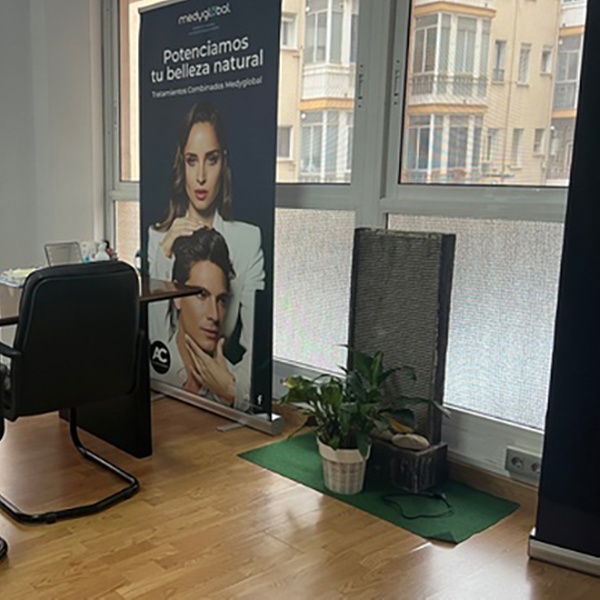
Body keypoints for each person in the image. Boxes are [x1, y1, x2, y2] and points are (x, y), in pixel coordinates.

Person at [148, 102, 265, 411]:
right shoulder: (158, 239)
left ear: (223, 162)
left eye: (211, 160)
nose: (200, 176)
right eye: (192, 160)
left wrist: (232, 389)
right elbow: (157, 339)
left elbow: (256, 346)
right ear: (181, 164)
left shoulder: (247, 240)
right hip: (173, 388)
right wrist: (163, 255)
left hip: (223, 394)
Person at [160, 227, 240, 408]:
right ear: (177, 296)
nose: (214, 315)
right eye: (202, 295)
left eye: (221, 300)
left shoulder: (237, 387)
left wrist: (229, 394)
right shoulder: (154, 370)